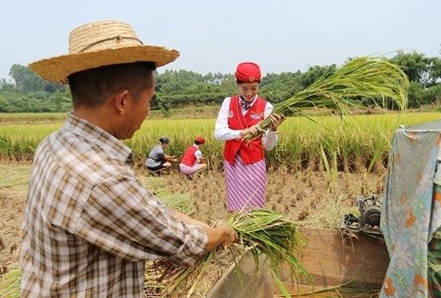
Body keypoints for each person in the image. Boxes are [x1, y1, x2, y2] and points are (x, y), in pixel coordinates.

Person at [20, 20, 237, 297]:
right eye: (149, 100)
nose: (148, 111)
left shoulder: (54, 145)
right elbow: (176, 240)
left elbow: (145, 209)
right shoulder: (102, 179)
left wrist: (202, 226)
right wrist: (220, 233)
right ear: (123, 102)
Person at [214, 62, 285, 212]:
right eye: (244, 88)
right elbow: (218, 133)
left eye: (254, 88)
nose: (249, 93)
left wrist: (273, 129)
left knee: (253, 207)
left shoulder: (266, 107)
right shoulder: (228, 102)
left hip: (254, 164)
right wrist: (242, 133)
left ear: (259, 85)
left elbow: (268, 146)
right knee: (235, 207)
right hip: (233, 162)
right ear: (237, 85)